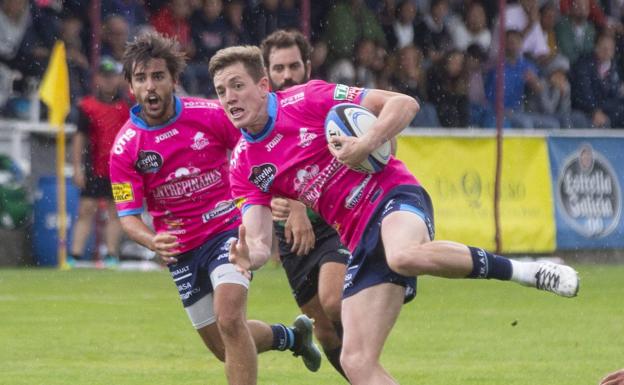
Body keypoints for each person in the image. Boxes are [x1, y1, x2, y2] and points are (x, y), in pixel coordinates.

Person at [208, 45, 580, 385]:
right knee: (355, 361)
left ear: (261, 85)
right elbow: (257, 239)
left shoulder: (306, 98)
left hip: (392, 195)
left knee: (402, 255)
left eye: (237, 86)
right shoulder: (243, 164)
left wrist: (365, 144)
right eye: (221, 91)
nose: (229, 98)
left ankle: (528, 270)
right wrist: (249, 258)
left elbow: (404, 103)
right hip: (358, 238)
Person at [109, 32, 320, 385]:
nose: (151, 86)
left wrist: (290, 202)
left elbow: (265, 151)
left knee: (228, 318)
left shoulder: (209, 115)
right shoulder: (124, 148)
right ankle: (291, 337)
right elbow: (128, 216)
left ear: (174, 80)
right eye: (141, 78)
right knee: (225, 346)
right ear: (130, 86)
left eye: (158, 76)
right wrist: (152, 241)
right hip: (181, 250)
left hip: (228, 231)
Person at [260, 29, 348, 379]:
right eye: (278, 68)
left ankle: (390, 285)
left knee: (334, 300)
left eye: (294, 66)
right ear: (265, 74)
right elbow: (252, 172)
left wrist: (298, 202)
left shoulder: (322, 102)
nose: (287, 76)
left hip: (333, 219)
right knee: (324, 330)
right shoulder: (255, 114)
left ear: (308, 66)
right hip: (290, 237)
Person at [68, 57, 129, 268]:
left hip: (121, 169)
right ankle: (74, 257)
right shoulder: (87, 107)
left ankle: (111, 255)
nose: (108, 81)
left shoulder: (128, 106)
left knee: (117, 212)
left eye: (112, 77)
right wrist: (77, 168)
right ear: (97, 79)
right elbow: (79, 139)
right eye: (105, 76)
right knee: (86, 209)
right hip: (94, 167)